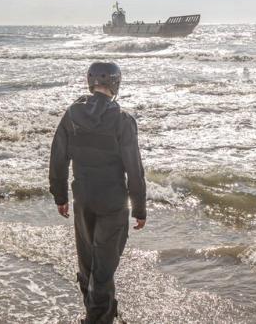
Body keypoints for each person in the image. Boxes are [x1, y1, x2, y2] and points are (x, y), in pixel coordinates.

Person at [49, 62, 146, 324]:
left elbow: (58, 158)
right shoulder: (123, 120)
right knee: (103, 268)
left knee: (88, 265)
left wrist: (60, 196)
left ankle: (103, 312)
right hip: (113, 203)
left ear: (90, 82)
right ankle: (97, 319)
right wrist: (139, 208)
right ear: (116, 84)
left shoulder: (71, 115)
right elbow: (134, 169)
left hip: (83, 200)